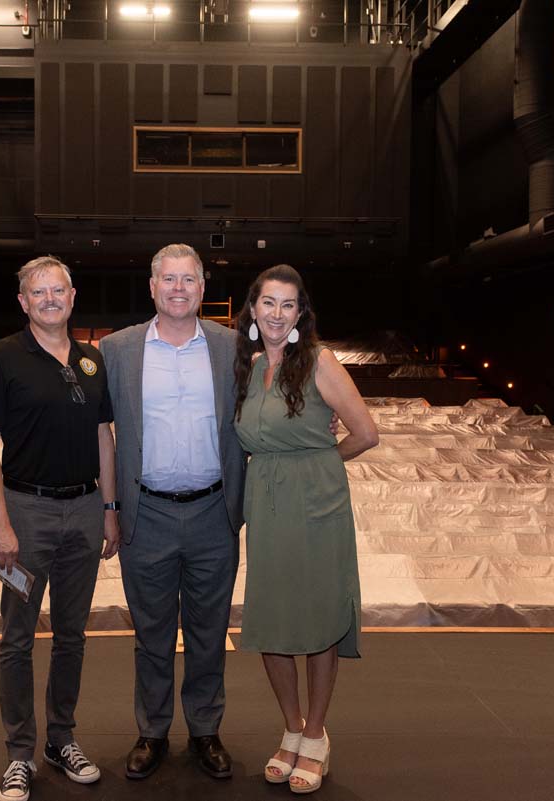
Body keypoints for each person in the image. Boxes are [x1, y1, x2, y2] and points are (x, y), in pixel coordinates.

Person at [0, 256, 121, 801]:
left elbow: (105, 436)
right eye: (39, 292)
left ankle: (61, 739)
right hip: (24, 516)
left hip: (83, 512)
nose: (50, 299)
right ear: (24, 301)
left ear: (73, 297)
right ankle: (18, 754)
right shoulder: (4, 358)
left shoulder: (91, 362)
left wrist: (109, 508)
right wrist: (0, 523)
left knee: (72, 635)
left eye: (58, 290)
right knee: (17, 638)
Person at [99, 243, 246, 781]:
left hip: (214, 513)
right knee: (152, 635)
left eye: (188, 279)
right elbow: (103, 437)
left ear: (203, 289)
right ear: (152, 286)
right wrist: (109, 510)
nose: (178, 288)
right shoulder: (116, 350)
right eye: (168, 278)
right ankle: (153, 731)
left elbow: (272, 403)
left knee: (209, 633)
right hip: (147, 515)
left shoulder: (234, 348)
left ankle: (206, 730)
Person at [233, 264, 379, 794]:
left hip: (317, 506)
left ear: (300, 314)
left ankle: (316, 735)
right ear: (253, 309)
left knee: (317, 621)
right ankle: (291, 729)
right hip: (267, 507)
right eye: (267, 303)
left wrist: (320, 459)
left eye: (287, 305)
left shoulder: (320, 361)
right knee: (272, 619)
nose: (276, 314)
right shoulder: (249, 370)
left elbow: (366, 433)